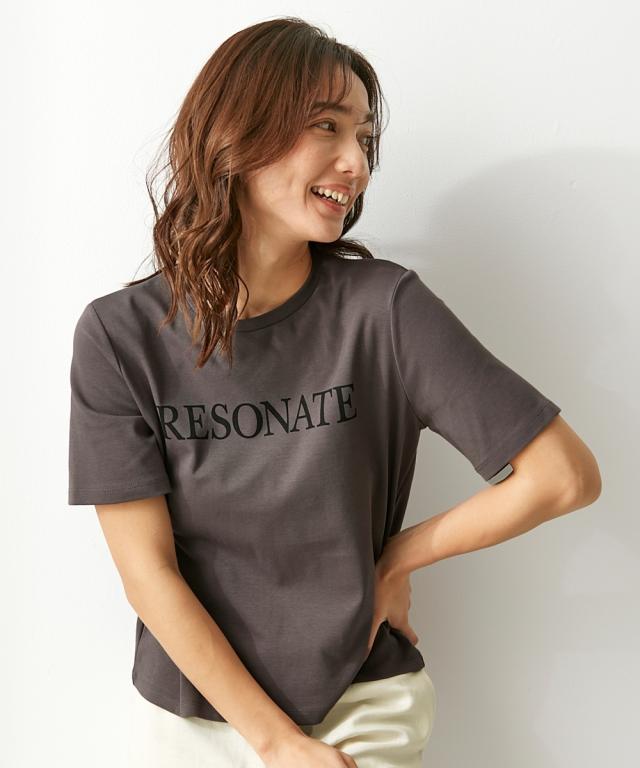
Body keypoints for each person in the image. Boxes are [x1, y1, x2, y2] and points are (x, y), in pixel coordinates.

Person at [67, 16, 602, 768]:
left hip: (361, 708)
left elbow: (564, 476)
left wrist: (398, 558)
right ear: (236, 131)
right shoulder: (120, 337)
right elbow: (147, 573)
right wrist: (276, 743)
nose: (355, 163)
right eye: (327, 126)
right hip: (191, 715)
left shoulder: (385, 310)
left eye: (365, 139)